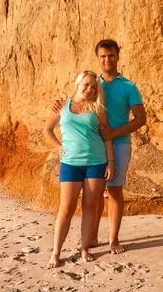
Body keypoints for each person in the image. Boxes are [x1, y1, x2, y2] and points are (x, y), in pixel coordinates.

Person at [53, 40, 146, 254]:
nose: (107, 60)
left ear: (117, 56)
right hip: (93, 147)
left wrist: (114, 133)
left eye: (111, 55)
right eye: (103, 56)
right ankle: (92, 237)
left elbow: (141, 119)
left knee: (114, 190)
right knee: (94, 195)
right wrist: (58, 103)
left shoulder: (128, 86)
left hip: (119, 143)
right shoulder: (93, 83)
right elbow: (75, 100)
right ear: (98, 58)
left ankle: (113, 239)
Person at [43, 70, 114, 268]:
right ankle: (56, 252)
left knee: (90, 207)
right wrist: (59, 148)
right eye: (86, 84)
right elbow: (47, 130)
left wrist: (111, 162)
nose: (89, 89)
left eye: (93, 87)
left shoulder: (98, 109)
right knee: (66, 209)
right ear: (77, 83)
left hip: (96, 162)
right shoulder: (61, 106)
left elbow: (106, 136)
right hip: (70, 163)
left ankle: (84, 248)